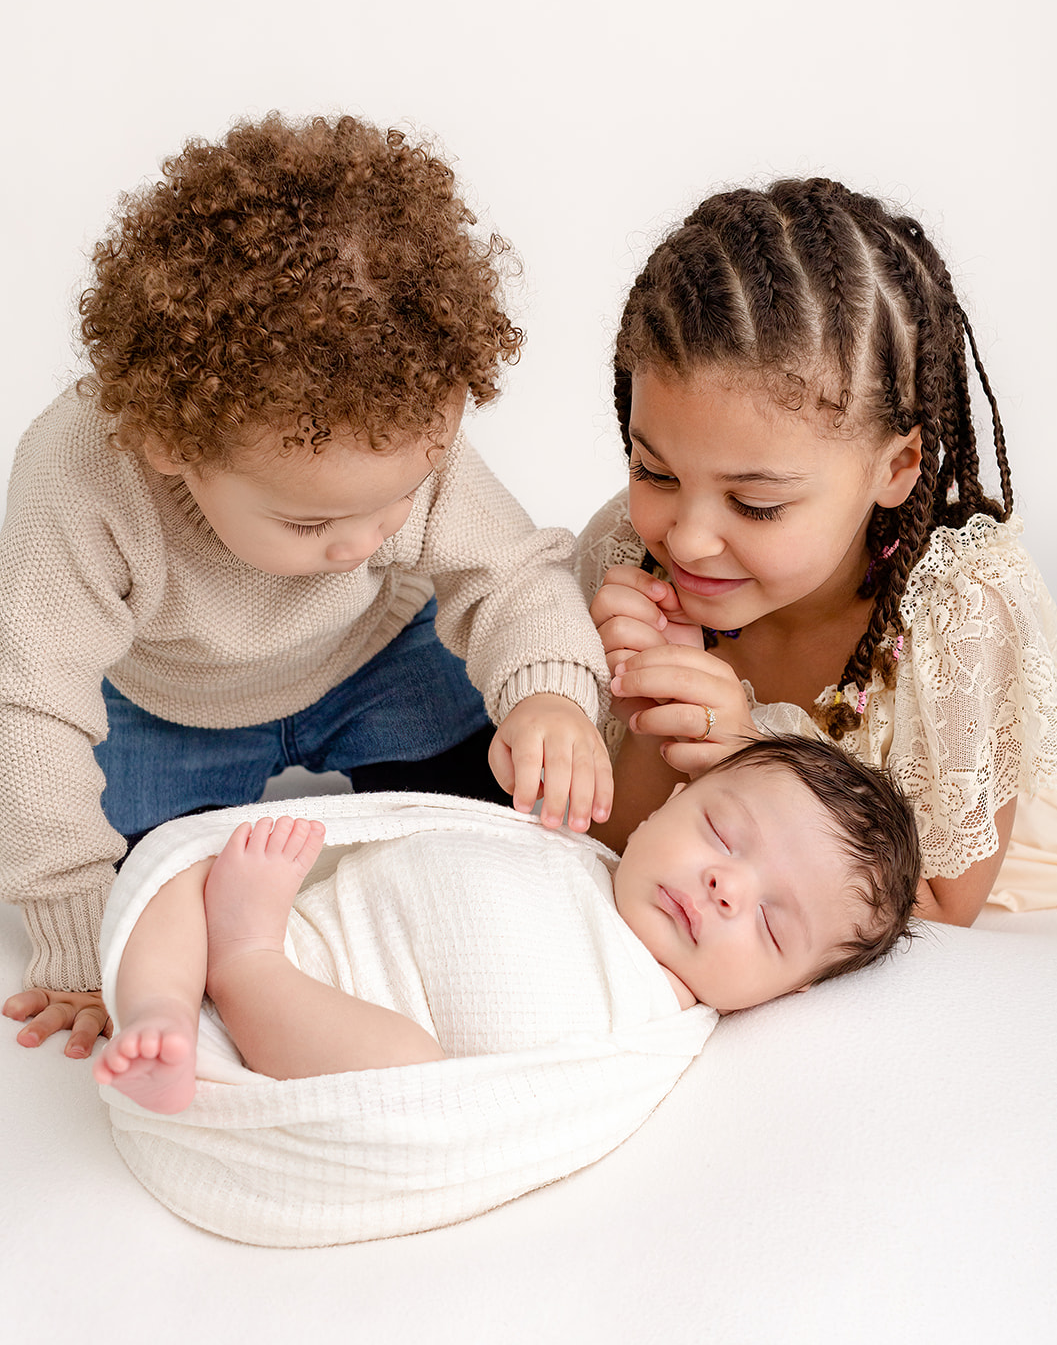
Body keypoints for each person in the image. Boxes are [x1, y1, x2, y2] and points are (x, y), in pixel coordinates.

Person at [0, 113, 611, 1059]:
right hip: (177, 703)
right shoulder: (82, 474)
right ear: (174, 446)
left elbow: (510, 574)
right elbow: (30, 708)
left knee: (498, 820)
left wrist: (550, 699)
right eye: (310, 523)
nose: (366, 541)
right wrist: (81, 939)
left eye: (399, 499)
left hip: (376, 657)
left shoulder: (386, 420)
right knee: (158, 898)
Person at [579, 178, 1057, 925]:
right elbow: (611, 856)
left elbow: (945, 911)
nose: (687, 538)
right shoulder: (627, 555)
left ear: (895, 469)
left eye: (756, 504)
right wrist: (656, 711)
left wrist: (754, 758)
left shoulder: (959, 614)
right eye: (655, 472)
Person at [92, 735, 921, 1114]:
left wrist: (251, 945)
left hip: (324, 1030)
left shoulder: (651, 1033)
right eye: (720, 833)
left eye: (772, 927)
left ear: (787, 991)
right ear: (669, 802)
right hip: (314, 918)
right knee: (186, 859)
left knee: (409, 1077)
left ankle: (242, 964)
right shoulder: (563, 850)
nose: (724, 886)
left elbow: (511, 1115)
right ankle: (161, 1011)